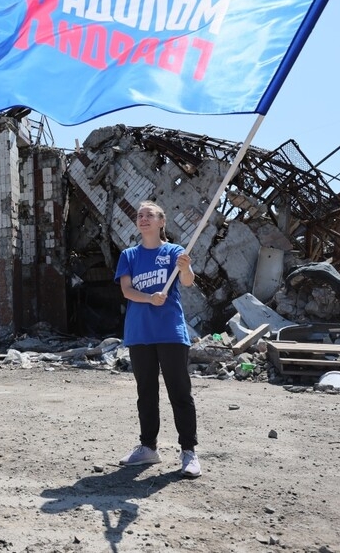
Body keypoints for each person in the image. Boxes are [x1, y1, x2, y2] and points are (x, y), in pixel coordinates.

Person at [115, 201, 201, 478]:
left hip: (170, 331)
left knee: (180, 392)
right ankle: (148, 447)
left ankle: (188, 451)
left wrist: (185, 268)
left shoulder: (174, 252)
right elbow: (127, 291)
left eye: (149, 215)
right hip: (140, 332)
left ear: (162, 221)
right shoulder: (129, 255)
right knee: (146, 392)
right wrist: (149, 298)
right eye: (140, 215)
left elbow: (187, 281)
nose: (143, 219)